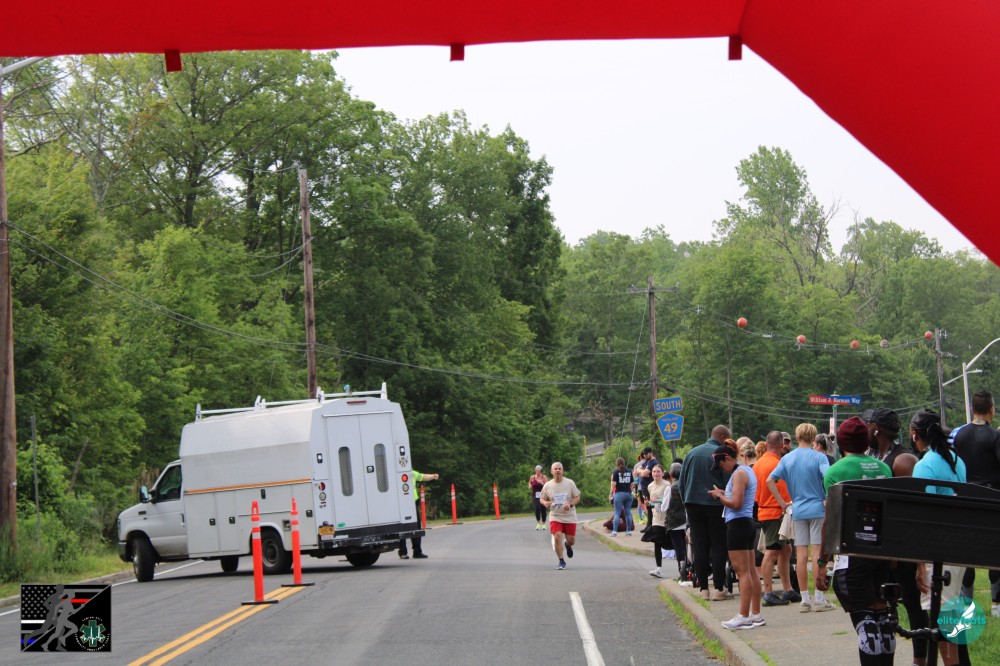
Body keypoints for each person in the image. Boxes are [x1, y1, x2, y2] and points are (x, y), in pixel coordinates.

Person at [816, 416, 893, 666]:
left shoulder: (835, 472)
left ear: (840, 443)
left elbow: (830, 521)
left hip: (853, 555)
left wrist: (822, 562)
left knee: (866, 626)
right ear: (866, 441)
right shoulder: (884, 468)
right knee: (882, 620)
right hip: (880, 553)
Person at [910, 409, 966, 666]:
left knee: (941, 617)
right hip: (959, 547)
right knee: (951, 614)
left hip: (937, 550)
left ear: (915, 435)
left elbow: (923, 516)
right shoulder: (957, 460)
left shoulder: (924, 465)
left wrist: (919, 563)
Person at [767, 422, 833, 612]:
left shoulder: (788, 458)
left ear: (797, 437)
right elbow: (828, 476)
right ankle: (819, 598)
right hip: (817, 508)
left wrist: (782, 503)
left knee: (801, 554)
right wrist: (827, 497)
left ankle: (804, 599)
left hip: (798, 509)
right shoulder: (819, 457)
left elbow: (770, 480)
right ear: (814, 438)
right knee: (817, 553)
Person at [951, 389, 1000, 614]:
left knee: (966, 552)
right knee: (995, 551)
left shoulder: (959, 435)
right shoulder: (994, 436)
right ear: (992, 409)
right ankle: (997, 605)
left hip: (965, 498)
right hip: (991, 499)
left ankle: (965, 604)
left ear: (971, 409)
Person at [708, 445, 764, 629]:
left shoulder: (739, 474)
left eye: (721, 464)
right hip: (747, 523)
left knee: (742, 573)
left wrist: (719, 497)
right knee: (751, 571)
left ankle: (743, 616)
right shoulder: (747, 471)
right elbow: (740, 497)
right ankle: (756, 614)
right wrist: (724, 493)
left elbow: (736, 504)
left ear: (728, 458)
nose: (722, 468)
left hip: (737, 524)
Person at [680, 424, 731, 601]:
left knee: (699, 546)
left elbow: (682, 483)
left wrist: (686, 501)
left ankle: (703, 589)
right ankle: (719, 587)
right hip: (715, 504)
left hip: (692, 503)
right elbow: (728, 483)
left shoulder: (691, 453)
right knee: (717, 545)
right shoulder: (720, 454)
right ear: (722, 437)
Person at [756, 431, 796, 606]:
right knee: (772, 551)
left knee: (785, 549)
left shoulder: (758, 464)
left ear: (766, 444)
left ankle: (788, 589)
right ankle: (768, 592)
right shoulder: (778, 465)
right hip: (775, 512)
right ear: (781, 446)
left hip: (765, 510)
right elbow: (785, 491)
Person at [540, 462, 581, 570]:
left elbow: (577, 497)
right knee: (557, 536)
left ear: (562, 471)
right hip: (555, 515)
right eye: (555, 469)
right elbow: (542, 498)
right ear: (551, 471)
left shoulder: (569, 483)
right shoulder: (548, 485)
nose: (557, 470)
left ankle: (567, 545)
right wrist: (545, 503)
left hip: (569, 515)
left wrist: (570, 504)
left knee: (571, 540)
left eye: (559, 469)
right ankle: (561, 561)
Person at [864, 408, 918, 478]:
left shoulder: (904, 460)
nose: (867, 431)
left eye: (869, 427)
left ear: (876, 430)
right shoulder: (869, 452)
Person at [399, 470, 439, 559]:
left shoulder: (411, 473)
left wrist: (433, 476)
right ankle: (402, 552)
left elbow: (423, 476)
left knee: (417, 528)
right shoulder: (397, 473)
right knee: (402, 528)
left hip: (412, 503)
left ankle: (417, 552)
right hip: (401, 504)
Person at [643, 463, 670, 577]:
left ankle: (683, 566)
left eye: (658, 471)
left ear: (662, 473)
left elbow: (668, 500)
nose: (656, 473)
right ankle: (659, 568)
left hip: (666, 517)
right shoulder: (650, 486)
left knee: (669, 542)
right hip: (656, 517)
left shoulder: (667, 485)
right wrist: (648, 503)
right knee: (656, 541)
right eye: (654, 471)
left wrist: (658, 500)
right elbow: (651, 502)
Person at [664, 462, 688, 579]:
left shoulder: (670, 488)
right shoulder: (687, 485)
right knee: (689, 547)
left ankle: (682, 571)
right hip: (687, 521)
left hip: (674, 523)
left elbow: (664, 507)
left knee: (679, 548)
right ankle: (690, 569)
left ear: (670, 474)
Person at [608, 457, 635, 536]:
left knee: (617, 513)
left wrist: (610, 494)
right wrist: (630, 491)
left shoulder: (616, 472)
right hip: (628, 494)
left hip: (619, 494)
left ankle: (614, 531)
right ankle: (628, 531)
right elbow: (632, 484)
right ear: (624, 463)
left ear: (617, 464)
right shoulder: (629, 471)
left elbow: (613, 484)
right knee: (628, 513)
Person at [637, 447, 659, 532]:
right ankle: (649, 526)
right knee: (648, 508)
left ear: (650, 453)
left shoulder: (653, 462)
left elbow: (644, 473)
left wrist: (643, 472)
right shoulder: (646, 462)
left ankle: (652, 527)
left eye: (646, 454)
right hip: (645, 489)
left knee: (651, 508)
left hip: (650, 489)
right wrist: (642, 472)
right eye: (644, 454)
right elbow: (638, 469)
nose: (644, 456)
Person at [529, 465, 549, 530]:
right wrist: (530, 486)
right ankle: (538, 523)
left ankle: (543, 523)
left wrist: (542, 483)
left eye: (539, 470)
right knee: (537, 509)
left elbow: (548, 486)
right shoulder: (532, 477)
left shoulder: (544, 477)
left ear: (541, 471)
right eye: (536, 470)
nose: (537, 472)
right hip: (535, 495)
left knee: (543, 509)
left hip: (543, 495)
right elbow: (530, 483)